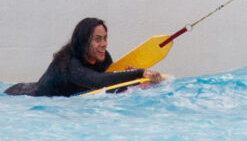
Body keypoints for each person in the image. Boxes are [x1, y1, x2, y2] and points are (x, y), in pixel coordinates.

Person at [4, 17, 162, 97]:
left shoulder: (103, 57)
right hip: (21, 97)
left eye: (105, 38)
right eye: (97, 39)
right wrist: (139, 73)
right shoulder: (69, 63)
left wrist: (129, 76)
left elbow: (109, 81)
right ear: (83, 42)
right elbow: (97, 82)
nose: (104, 44)